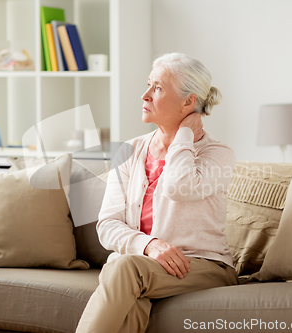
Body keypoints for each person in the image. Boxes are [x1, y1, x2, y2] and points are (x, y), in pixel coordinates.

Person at [75, 53, 238, 333]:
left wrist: (184, 136)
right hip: (144, 265)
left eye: (158, 88)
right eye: (149, 85)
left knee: (123, 269)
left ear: (189, 102)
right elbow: (108, 224)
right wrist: (148, 245)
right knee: (129, 295)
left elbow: (179, 186)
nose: (145, 95)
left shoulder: (218, 154)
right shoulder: (130, 150)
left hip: (205, 266)